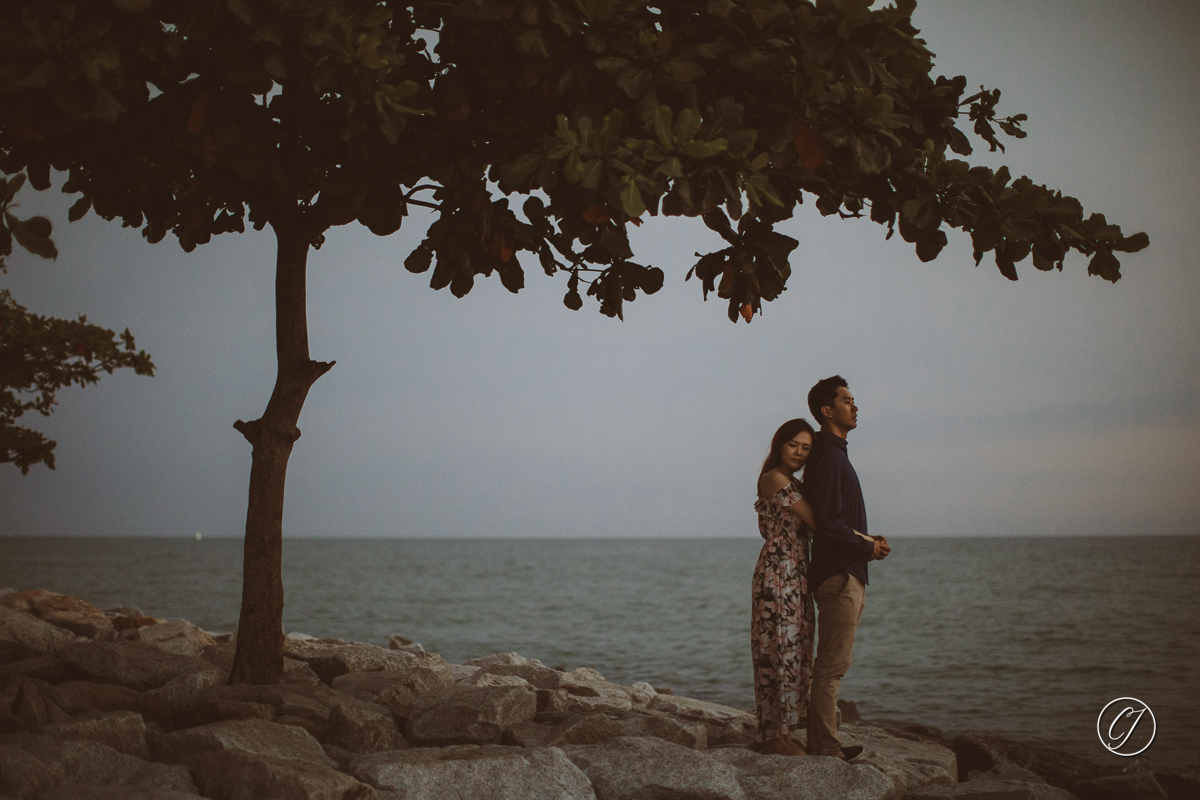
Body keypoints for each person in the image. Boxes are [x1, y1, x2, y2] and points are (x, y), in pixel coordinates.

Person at [803, 375, 889, 761]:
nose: (855, 406)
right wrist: (864, 547)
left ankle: (826, 740)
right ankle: (825, 746)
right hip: (839, 574)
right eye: (847, 400)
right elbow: (828, 523)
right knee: (831, 667)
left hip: (846, 571)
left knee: (834, 665)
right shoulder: (827, 455)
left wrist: (868, 544)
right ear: (827, 410)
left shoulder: (834, 454)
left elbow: (836, 520)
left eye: (855, 400)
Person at [751, 418, 819, 756]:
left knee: (796, 651)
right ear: (780, 444)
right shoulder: (775, 479)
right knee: (777, 649)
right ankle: (773, 737)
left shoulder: (792, 481)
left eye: (806, 448)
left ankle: (785, 732)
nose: (799, 452)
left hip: (797, 573)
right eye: (794, 445)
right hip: (779, 572)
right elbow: (816, 519)